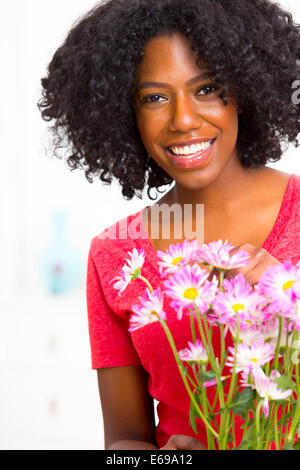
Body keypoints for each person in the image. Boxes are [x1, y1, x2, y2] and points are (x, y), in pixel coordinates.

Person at [38, 0, 300, 450]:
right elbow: (124, 442)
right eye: (154, 97)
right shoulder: (115, 255)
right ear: (125, 113)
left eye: (207, 88)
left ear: (246, 89)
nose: (182, 119)